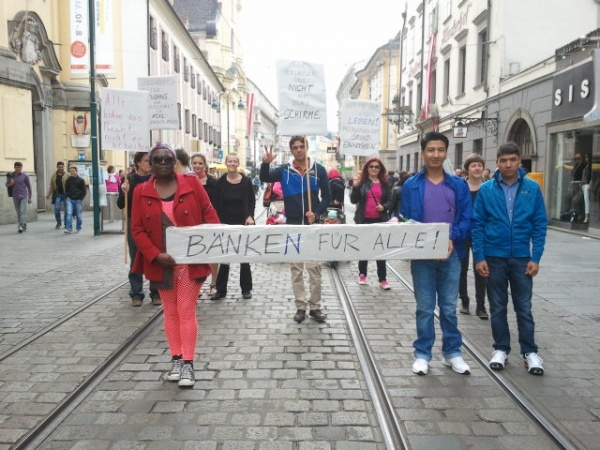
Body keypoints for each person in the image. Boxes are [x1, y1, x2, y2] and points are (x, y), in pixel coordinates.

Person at [131, 142, 220, 388]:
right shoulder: (140, 191)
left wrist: (215, 242)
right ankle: (176, 359)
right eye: (157, 159)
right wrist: (155, 255)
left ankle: (188, 363)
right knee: (170, 312)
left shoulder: (191, 183)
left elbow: (209, 213)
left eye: (167, 159)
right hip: (161, 263)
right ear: (150, 163)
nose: (162, 163)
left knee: (186, 309)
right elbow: (137, 230)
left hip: (190, 262)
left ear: (175, 162)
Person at [472, 142, 548, 376]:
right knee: (497, 307)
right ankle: (501, 349)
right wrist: (479, 256)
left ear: (519, 161)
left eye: (512, 160)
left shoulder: (532, 188)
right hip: (494, 257)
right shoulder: (486, 189)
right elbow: (478, 224)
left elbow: (540, 224)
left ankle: (530, 352)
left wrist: (536, 257)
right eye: (503, 161)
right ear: (497, 163)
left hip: (522, 258)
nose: (508, 165)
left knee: (524, 308)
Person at [400, 132, 473, 376]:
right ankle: (422, 354)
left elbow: (467, 218)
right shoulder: (411, 185)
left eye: (440, 150)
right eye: (431, 150)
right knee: (424, 307)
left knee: (449, 307)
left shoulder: (458, 185)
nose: (435, 154)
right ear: (423, 153)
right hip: (422, 257)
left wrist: (451, 238)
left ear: (446, 153)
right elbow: (405, 218)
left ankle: (452, 353)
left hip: (452, 254)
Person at [260, 136, 331, 323]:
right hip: (292, 225)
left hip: (312, 227)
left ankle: (315, 307)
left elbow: (327, 197)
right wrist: (265, 164)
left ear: (307, 147)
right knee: (296, 269)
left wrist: (316, 213)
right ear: (291, 150)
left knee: (314, 269)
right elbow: (265, 177)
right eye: (295, 147)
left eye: (302, 146)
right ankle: (300, 306)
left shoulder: (319, 170)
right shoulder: (285, 170)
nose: (299, 150)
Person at [117, 151, 161, 307]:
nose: (149, 163)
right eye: (146, 161)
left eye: (150, 161)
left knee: (154, 256)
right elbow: (120, 204)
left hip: (153, 222)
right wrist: (124, 192)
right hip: (134, 221)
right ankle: (136, 293)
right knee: (135, 257)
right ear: (137, 163)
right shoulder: (129, 180)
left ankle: (156, 292)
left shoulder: (156, 179)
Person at [211, 154, 256, 300]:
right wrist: (216, 222)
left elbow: (251, 201)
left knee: (244, 256)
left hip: (243, 222)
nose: (232, 163)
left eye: (234, 161)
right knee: (224, 257)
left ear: (238, 163)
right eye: (229, 161)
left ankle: (246, 288)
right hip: (225, 223)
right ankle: (221, 289)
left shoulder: (246, 181)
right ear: (226, 163)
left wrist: (250, 216)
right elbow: (215, 204)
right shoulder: (220, 183)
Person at [350, 158, 393, 290]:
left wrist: (384, 207)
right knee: (364, 249)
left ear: (380, 169)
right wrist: (355, 187)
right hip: (364, 220)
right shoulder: (362, 183)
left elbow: (390, 201)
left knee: (380, 250)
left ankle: (383, 279)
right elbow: (353, 200)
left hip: (380, 220)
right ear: (367, 168)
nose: (374, 169)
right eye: (371, 166)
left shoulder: (385, 184)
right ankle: (362, 274)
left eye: (376, 167)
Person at [458, 154, 488, 319]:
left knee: (481, 269)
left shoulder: (488, 187)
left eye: (480, 165)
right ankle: (464, 300)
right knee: (461, 269)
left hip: (482, 234)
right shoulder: (461, 187)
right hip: (463, 233)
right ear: (467, 169)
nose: (477, 168)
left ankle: (481, 305)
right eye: (473, 165)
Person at [191, 153, 219, 298]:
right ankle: (196, 286)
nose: (197, 166)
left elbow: (217, 202)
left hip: (209, 222)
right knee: (196, 255)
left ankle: (213, 283)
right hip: (193, 222)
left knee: (213, 254)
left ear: (205, 165)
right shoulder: (187, 180)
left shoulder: (213, 182)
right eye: (194, 163)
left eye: (200, 163)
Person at [5, 162, 32, 233]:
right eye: (17, 167)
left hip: (24, 196)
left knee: (22, 211)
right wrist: (11, 183)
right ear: (14, 167)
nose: (18, 168)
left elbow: (29, 187)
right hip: (15, 196)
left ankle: (20, 226)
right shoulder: (11, 176)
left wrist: (30, 197)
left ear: (21, 167)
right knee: (18, 212)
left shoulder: (25, 176)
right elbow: (7, 184)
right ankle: (24, 225)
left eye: (20, 167)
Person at [64, 165, 86, 234]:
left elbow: (84, 191)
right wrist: (67, 196)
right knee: (69, 213)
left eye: (73, 171)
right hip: (69, 199)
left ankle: (79, 227)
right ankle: (69, 228)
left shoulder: (81, 180)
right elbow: (66, 190)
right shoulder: (68, 180)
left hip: (78, 200)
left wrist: (80, 198)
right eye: (71, 171)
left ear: (76, 171)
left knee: (78, 215)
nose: (72, 173)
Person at [46, 161, 68, 229]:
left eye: (62, 167)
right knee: (56, 208)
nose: (60, 168)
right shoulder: (54, 175)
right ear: (57, 167)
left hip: (66, 194)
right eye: (59, 167)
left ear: (64, 167)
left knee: (67, 209)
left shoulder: (67, 175)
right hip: (57, 194)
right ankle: (59, 222)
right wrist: (48, 194)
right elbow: (51, 186)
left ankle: (66, 223)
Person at [581, 153, 592, 224]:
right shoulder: (587, 166)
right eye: (585, 157)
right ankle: (586, 216)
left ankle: (587, 216)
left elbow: (592, 175)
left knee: (587, 201)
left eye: (587, 157)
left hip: (587, 184)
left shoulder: (590, 166)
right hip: (584, 185)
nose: (586, 159)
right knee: (586, 201)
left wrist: (590, 183)